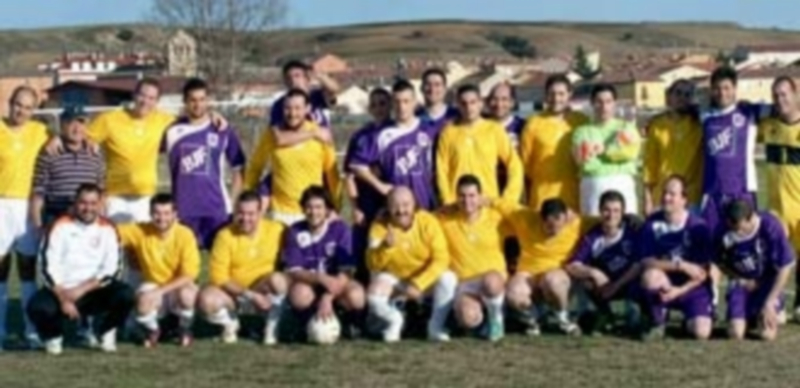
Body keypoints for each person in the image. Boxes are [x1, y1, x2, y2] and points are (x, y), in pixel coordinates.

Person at [27, 184, 135, 355]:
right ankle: (54, 336)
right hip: (63, 290)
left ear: (100, 204)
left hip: (94, 290)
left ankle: (104, 330)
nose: (88, 208)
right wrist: (63, 298)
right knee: (37, 307)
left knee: (126, 295)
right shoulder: (59, 226)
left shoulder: (109, 228)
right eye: (83, 203)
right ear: (75, 203)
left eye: (93, 203)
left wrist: (81, 290)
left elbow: (113, 269)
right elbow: (47, 267)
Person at [161, 78, 245, 249]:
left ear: (208, 100)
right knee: (185, 268)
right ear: (184, 101)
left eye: (202, 99)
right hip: (183, 211)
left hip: (216, 210)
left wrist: (234, 200)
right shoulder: (170, 130)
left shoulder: (221, 129)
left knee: (219, 267)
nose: (197, 105)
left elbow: (239, 166)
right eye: (192, 100)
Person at [366, 187, 455, 342]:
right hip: (396, 280)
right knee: (374, 291)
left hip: (422, 281)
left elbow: (442, 258)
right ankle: (395, 320)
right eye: (395, 205)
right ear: (387, 206)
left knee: (448, 278)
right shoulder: (379, 226)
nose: (401, 210)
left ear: (414, 204)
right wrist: (385, 248)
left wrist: (418, 284)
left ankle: (435, 327)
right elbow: (372, 264)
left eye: (406, 205)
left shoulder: (428, 221)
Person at [198, 191, 288, 345]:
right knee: (206, 299)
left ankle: (272, 327)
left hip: (263, 291)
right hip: (234, 296)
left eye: (251, 214)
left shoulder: (278, 230)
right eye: (240, 213)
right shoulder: (224, 236)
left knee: (279, 280)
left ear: (260, 213)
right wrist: (251, 296)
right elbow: (219, 278)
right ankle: (230, 323)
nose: (245, 219)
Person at [245, 88, 341, 226]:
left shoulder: (321, 135)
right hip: (280, 213)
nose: (292, 113)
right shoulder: (273, 134)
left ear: (307, 109)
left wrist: (335, 206)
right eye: (287, 108)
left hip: (312, 212)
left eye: (297, 108)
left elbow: (332, 174)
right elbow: (256, 166)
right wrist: (246, 196)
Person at [116, 194, 201, 348]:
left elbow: (189, 275)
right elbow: (111, 232)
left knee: (187, 294)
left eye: (167, 213)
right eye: (157, 213)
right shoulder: (141, 230)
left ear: (175, 214)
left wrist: (160, 291)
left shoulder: (185, 234)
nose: (162, 218)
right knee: (143, 302)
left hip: (177, 287)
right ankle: (154, 330)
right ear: (150, 213)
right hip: (153, 285)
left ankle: (184, 328)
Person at [282, 186, 365, 340]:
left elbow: (346, 271)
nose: (313, 212)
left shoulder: (340, 229)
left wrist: (327, 297)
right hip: (311, 283)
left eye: (319, 207)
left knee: (356, 295)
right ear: (303, 208)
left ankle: (349, 324)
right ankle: (305, 325)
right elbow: (294, 271)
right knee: (299, 294)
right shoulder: (295, 230)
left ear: (327, 210)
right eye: (309, 207)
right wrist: (321, 278)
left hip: (337, 284)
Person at [0, 86, 49, 348]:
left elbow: (61, 139)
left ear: (34, 110)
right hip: (0, 205)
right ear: (10, 103)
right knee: (1, 272)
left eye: (28, 107)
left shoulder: (40, 132)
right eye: (18, 104)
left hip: (28, 208)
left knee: (29, 272)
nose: (22, 111)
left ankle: (32, 331)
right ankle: (0, 329)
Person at [638, 176, 713, 340]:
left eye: (672, 194)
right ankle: (658, 321)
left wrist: (679, 291)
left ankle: (688, 320)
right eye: (665, 193)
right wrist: (681, 265)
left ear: (684, 199)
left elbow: (703, 273)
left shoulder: (698, 227)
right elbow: (645, 261)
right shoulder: (652, 223)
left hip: (691, 287)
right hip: (665, 283)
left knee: (702, 333)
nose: (666, 198)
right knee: (650, 276)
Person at [436, 175, 508, 341]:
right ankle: (482, 321)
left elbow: (517, 212)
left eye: (472, 195)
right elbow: (421, 221)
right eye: (462, 196)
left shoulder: (496, 218)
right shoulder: (445, 219)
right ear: (456, 197)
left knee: (491, 281)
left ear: (480, 196)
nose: (467, 201)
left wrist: (493, 201)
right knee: (467, 318)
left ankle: (496, 317)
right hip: (465, 284)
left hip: (492, 280)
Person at [348, 80, 439, 210]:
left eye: (406, 101)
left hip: (426, 202)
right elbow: (357, 166)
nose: (402, 107)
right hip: (396, 207)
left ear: (415, 102)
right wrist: (380, 186)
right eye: (397, 101)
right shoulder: (380, 134)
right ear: (392, 104)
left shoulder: (429, 129)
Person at [498, 198, 583, 336]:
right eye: (549, 226)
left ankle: (563, 318)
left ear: (566, 217)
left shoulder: (577, 223)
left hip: (557, 274)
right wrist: (485, 200)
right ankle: (533, 318)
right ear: (541, 219)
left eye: (559, 225)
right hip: (529, 273)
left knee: (552, 280)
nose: (554, 230)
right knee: (513, 293)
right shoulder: (525, 218)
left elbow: (601, 221)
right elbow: (503, 205)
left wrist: (627, 218)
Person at [716, 200, 795, 340]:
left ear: (751, 218)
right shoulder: (724, 230)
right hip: (742, 284)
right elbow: (719, 262)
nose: (738, 233)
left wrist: (770, 301)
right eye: (734, 229)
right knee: (735, 333)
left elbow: (786, 265)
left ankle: (774, 308)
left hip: (767, 283)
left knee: (767, 335)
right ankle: (749, 316)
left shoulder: (770, 226)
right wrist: (740, 278)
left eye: (741, 228)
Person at [566, 190, 642, 333]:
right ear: (600, 211)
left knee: (644, 278)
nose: (611, 215)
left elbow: (639, 264)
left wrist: (616, 285)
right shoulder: (593, 236)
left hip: (629, 282)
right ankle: (605, 314)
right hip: (605, 285)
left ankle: (639, 314)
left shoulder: (633, 232)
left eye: (616, 211)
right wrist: (594, 272)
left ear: (623, 213)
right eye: (606, 210)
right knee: (586, 281)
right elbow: (572, 266)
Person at [436, 84, 523, 205]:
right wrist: (447, 200)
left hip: (487, 203)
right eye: (464, 103)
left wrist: (508, 199)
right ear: (458, 105)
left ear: (480, 103)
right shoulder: (448, 133)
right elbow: (441, 171)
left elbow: (514, 164)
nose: (469, 107)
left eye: (473, 102)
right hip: (458, 205)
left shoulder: (494, 130)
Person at [758, 76, 800, 320]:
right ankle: (778, 301)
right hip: (777, 208)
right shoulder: (768, 126)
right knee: (777, 256)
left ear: (795, 94)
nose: (780, 99)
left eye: (784, 94)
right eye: (775, 95)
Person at [519, 74, 589, 212]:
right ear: (546, 95)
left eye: (561, 94)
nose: (556, 99)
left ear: (570, 94)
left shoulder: (582, 122)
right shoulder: (533, 124)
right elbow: (525, 165)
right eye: (552, 94)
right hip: (542, 199)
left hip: (575, 199)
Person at [344, 88, 393, 281]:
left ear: (390, 105)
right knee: (365, 253)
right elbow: (349, 175)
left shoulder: (399, 131)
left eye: (383, 103)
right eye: (374, 104)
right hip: (367, 204)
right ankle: (363, 303)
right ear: (369, 108)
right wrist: (355, 207)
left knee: (391, 249)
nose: (379, 108)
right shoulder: (360, 136)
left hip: (391, 204)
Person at [572, 83, 642, 216]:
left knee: (627, 228)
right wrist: (615, 150)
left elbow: (630, 153)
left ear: (615, 103)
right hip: (593, 185)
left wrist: (602, 150)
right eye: (599, 102)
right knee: (593, 227)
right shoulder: (581, 132)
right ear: (592, 103)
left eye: (608, 102)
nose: (604, 107)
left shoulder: (626, 127)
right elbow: (584, 161)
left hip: (622, 183)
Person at [31, 105, 105, 227]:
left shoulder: (95, 153)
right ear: (62, 125)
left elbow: (101, 191)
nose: (77, 128)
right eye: (71, 123)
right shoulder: (49, 152)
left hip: (88, 218)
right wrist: (38, 228)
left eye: (81, 123)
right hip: (57, 217)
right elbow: (38, 194)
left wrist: (101, 223)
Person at [643, 79, 703, 214]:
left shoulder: (700, 125)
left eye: (687, 95)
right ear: (669, 96)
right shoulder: (657, 126)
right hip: (662, 197)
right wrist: (647, 200)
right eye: (678, 93)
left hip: (691, 198)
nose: (682, 98)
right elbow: (649, 166)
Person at [269, 60, 339, 129]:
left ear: (306, 78)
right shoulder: (280, 104)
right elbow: (276, 131)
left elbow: (333, 89)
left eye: (297, 76)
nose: (293, 80)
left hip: (321, 139)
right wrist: (314, 133)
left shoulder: (316, 96)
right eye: (288, 78)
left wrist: (319, 76)